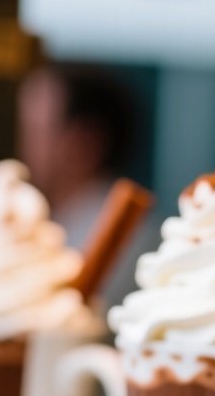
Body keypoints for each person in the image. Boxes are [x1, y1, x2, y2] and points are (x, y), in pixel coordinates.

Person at [18, 62, 144, 307]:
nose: (19, 144)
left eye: (33, 130)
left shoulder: (125, 246)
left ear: (84, 144)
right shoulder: (39, 225)